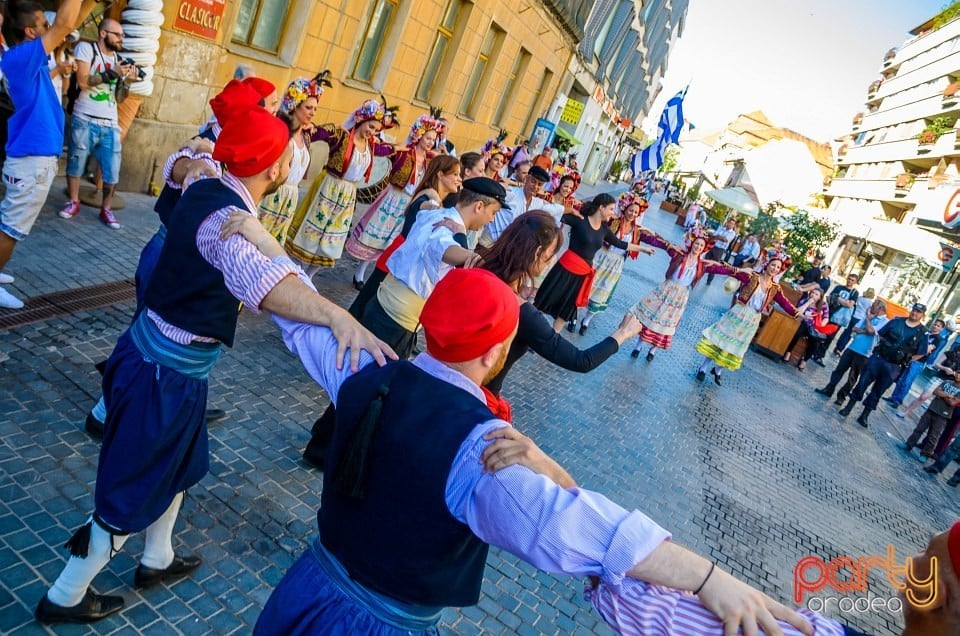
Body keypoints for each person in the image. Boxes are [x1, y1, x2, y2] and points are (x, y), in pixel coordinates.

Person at [255, 267, 813, 636]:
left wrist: (253, 231)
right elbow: (581, 529)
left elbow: (291, 304)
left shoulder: (363, 368)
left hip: (305, 588)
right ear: (498, 351)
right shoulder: (482, 450)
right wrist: (708, 577)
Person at [34, 106, 395, 624]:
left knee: (177, 468)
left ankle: (156, 558)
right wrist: (336, 316)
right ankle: (64, 595)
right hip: (163, 377)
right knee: (130, 488)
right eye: (291, 152)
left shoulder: (208, 181)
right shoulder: (225, 222)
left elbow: (181, 161)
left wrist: (245, 214)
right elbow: (266, 287)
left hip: (165, 366)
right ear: (275, 170)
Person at [482, 210, 643, 399]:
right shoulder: (522, 313)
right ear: (536, 254)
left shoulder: (477, 267)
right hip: (480, 394)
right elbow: (581, 361)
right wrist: (622, 333)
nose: (550, 261)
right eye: (550, 255)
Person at [0, 0, 96, 310]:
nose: (49, 27)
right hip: (31, 161)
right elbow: (65, 26)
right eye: (43, 24)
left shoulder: (27, 56)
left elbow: (70, 25)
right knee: (11, 227)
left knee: (8, 222)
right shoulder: (21, 59)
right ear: (30, 32)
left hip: (31, 159)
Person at [285, 99, 396, 274]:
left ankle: (310, 275)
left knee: (332, 240)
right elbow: (315, 133)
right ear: (361, 120)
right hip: (329, 188)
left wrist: (408, 146)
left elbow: (390, 150)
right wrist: (308, 127)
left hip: (347, 196)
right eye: (370, 126)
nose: (372, 132)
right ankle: (292, 268)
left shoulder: (371, 145)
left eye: (376, 129)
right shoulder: (341, 135)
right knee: (310, 233)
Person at [347, 155, 462, 322]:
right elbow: (423, 208)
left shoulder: (434, 198)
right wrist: (437, 207)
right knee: (368, 302)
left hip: (403, 254)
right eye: (455, 174)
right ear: (440, 175)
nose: (459, 179)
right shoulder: (428, 199)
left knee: (372, 302)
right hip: (399, 253)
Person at [57, 18, 139, 229]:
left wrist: (127, 83)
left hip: (110, 123)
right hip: (84, 117)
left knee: (112, 169)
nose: (121, 39)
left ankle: (107, 208)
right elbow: (84, 81)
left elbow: (119, 98)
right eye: (117, 34)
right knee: (76, 162)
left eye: (122, 35)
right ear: (103, 33)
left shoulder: (120, 59)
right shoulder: (87, 49)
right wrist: (112, 72)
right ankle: (73, 201)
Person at [346, 114, 443, 284]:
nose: (430, 142)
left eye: (433, 140)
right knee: (377, 237)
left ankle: (378, 273)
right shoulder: (404, 152)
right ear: (419, 134)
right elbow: (379, 150)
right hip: (392, 199)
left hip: (410, 203)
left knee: (393, 240)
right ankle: (360, 273)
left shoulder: (430, 160)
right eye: (428, 138)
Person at [535, 193, 648, 333]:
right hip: (565, 268)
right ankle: (531, 332)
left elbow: (621, 244)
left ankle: (551, 338)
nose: (613, 213)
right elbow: (549, 213)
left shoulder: (604, 230)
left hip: (582, 275)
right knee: (547, 301)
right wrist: (568, 210)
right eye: (611, 209)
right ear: (601, 207)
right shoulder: (580, 220)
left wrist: (642, 249)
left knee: (565, 312)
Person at [629, 230, 737, 361]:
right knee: (652, 315)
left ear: (704, 249)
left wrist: (738, 270)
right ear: (692, 244)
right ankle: (638, 346)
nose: (698, 247)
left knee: (667, 322)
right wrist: (644, 235)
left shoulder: (702, 264)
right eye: (696, 244)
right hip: (667, 289)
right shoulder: (679, 254)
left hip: (681, 296)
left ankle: (653, 349)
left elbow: (721, 269)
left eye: (701, 246)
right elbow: (663, 244)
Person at [695, 254, 799, 386]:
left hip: (752, 320)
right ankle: (703, 368)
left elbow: (785, 303)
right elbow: (731, 271)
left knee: (736, 346)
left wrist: (798, 313)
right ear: (767, 264)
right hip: (739, 313)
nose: (775, 268)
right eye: (773, 265)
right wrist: (708, 267)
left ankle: (718, 370)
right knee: (720, 340)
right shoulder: (751, 276)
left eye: (778, 267)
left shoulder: (775, 288)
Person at [257, 74, 329, 243]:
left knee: (275, 243)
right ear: (295, 106)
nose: (312, 113)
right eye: (308, 107)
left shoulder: (305, 135)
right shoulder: (281, 131)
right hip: (273, 193)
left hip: (291, 197)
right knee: (259, 239)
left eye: (315, 109)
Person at [838, 303, 929, 428]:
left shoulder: (923, 333)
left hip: (894, 366)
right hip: (879, 358)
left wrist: (906, 360)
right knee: (862, 383)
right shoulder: (897, 321)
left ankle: (864, 415)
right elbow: (880, 334)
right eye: (914, 310)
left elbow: (921, 353)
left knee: (878, 391)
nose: (915, 313)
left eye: (918, 312)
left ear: (923, 315)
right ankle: (848, 407)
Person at [580, 192, 652, 334]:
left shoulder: (637, 230)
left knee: (602, 291)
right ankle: (574, 316)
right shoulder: (613, 220)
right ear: (625, 208)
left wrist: (669, 245)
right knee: (587, 284)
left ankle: (586, 320)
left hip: (616, 263)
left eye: (636, 212)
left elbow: (654, 240)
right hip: (601, 257)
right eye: (631, 210)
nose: (632, 214)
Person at [815, 298, 888, 404]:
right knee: (839, 370)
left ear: (880, 308)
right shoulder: (869, 315)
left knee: (852, 377)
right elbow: (854, 328)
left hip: (865, 353)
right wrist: (866, 329)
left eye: (873, 305)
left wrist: (867, 320)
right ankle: (829, 389)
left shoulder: (884, 321)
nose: (871, 307)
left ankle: (841, 396)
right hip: (852, 347)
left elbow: (871, 331)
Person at [478, 165, 564, 248]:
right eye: (533, 181)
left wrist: (573, 211)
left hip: (505, 248)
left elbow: (556, 209)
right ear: (526, 179)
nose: (536, 187)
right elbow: (496, 186)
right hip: (488, 242)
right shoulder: (511, 192)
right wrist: (516, 183)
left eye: (540, 184)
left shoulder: (537, 203)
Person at [886, 319, 947, 409]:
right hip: (910, 358)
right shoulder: (926, 333)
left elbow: (927, 350)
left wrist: (922, 348)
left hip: (919, 362)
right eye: (935, 324)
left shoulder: (938, 339)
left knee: (907, 381)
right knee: (901, 379)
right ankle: (893, 397)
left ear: (941, 329)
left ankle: (898, 401)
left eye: (938, 326)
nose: (935, 326)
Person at [902, 373, 960, 461]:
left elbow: (952, 403)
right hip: (932, 409)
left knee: (934, 436)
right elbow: (935, 391)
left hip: (943, 415)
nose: (958, 375)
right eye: (958, 373)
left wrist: (942, 394)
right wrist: (948, 395)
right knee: (919, 428)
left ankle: (925, 454)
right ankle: (908, 444)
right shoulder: (947, 381)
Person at [781, 289, 830, 372]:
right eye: (813, 293)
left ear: (820, 297)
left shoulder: (824, 305)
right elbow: (798, 312)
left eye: (816, 294)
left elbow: (826, 318)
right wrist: (808, 303)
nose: (813, 295)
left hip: (814, 327)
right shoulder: (804, 300)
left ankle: (804, 360)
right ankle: (788, 352)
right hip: (803, 323)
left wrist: (820, 326)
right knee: (796, 333)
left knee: (816, 342)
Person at [834, 287, 875, 356]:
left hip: (853, 316)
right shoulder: (870, 302)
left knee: (846, 332)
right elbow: (868, 312)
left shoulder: (860, 298)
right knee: (850, 335)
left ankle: (837, 346)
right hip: (860, 319)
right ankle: (840, 349)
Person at [704, 218, 737, 284]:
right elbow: (714, 235)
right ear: (727, 223)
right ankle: (699, 274)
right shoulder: (721, 228)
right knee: (705, 261)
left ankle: (709, 281)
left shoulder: (732, 233)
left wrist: (718, 236)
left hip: (720, 250)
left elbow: (725, 240)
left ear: (733, 226)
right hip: (712, 246)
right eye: (730, 223)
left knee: (713, 266)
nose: (730, 225)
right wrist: (718, 237)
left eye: (732, 224)